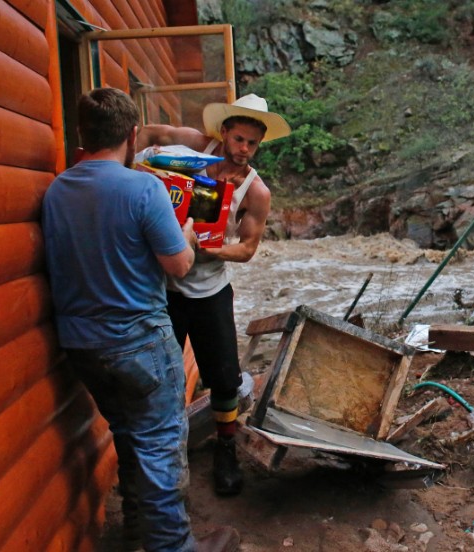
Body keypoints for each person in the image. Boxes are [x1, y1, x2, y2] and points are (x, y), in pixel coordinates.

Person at [42, 87, 239, 552]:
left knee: (130, 436)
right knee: (163, 444)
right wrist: (187, 230)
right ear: (132, 136)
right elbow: (178, 265)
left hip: (80, 344)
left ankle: (137, 536)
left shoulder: (57, 190)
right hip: (139, 342)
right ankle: (172, 545)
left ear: (82, 135)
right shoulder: (143, 187)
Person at [137, 93, 290, 496]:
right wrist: (131, 170)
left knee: (223, 379)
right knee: (159, 377)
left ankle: (226, 449)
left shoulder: (257, 191)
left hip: (209, 290)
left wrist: (204, 250)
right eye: (238, 139)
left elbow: (248, 249)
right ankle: (164, 458)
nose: (243, 150)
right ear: (223, 132)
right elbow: (148, 132)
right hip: (162, 287)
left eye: (252, 144)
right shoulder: (190, 146)